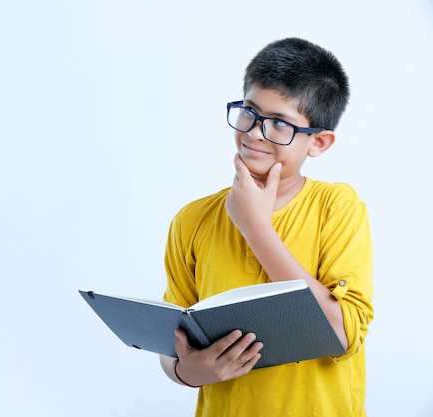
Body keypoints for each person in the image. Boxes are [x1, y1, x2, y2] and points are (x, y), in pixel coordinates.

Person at [159, 37, 374, 417]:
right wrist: (187, 371)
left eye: (279, 124)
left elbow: (340, 336)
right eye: (250, 112)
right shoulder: (192, 220)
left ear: (319, 142)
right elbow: (172, 341)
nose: (256, 132)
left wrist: (255, 227)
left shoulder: (336, 207)